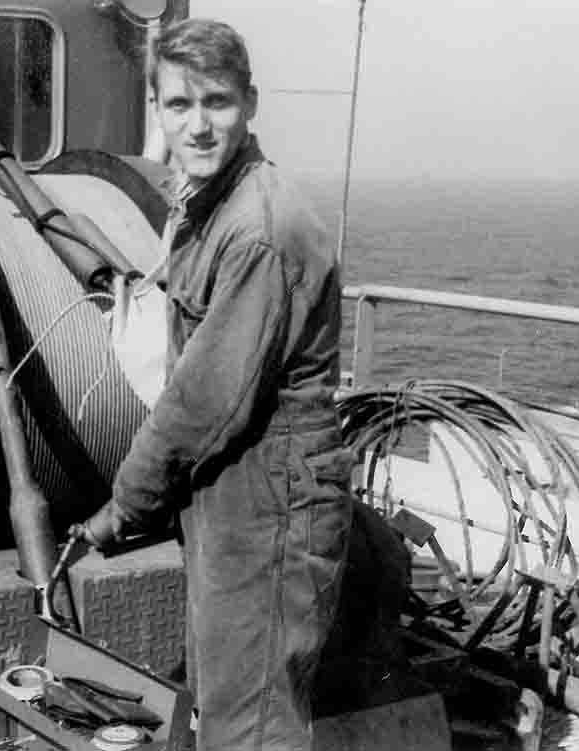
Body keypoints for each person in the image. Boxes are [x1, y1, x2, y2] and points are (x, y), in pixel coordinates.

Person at [75, 17, 355, 751]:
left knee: (252, 727)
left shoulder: (259, 228)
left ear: (251, 103)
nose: (198, 126)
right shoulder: (206, 204)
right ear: (158, 110)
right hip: (232, 492)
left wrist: (123, 507)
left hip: (272, 498)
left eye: (218, 103)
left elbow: (203, 403)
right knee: (226, 699)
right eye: (179, 105)